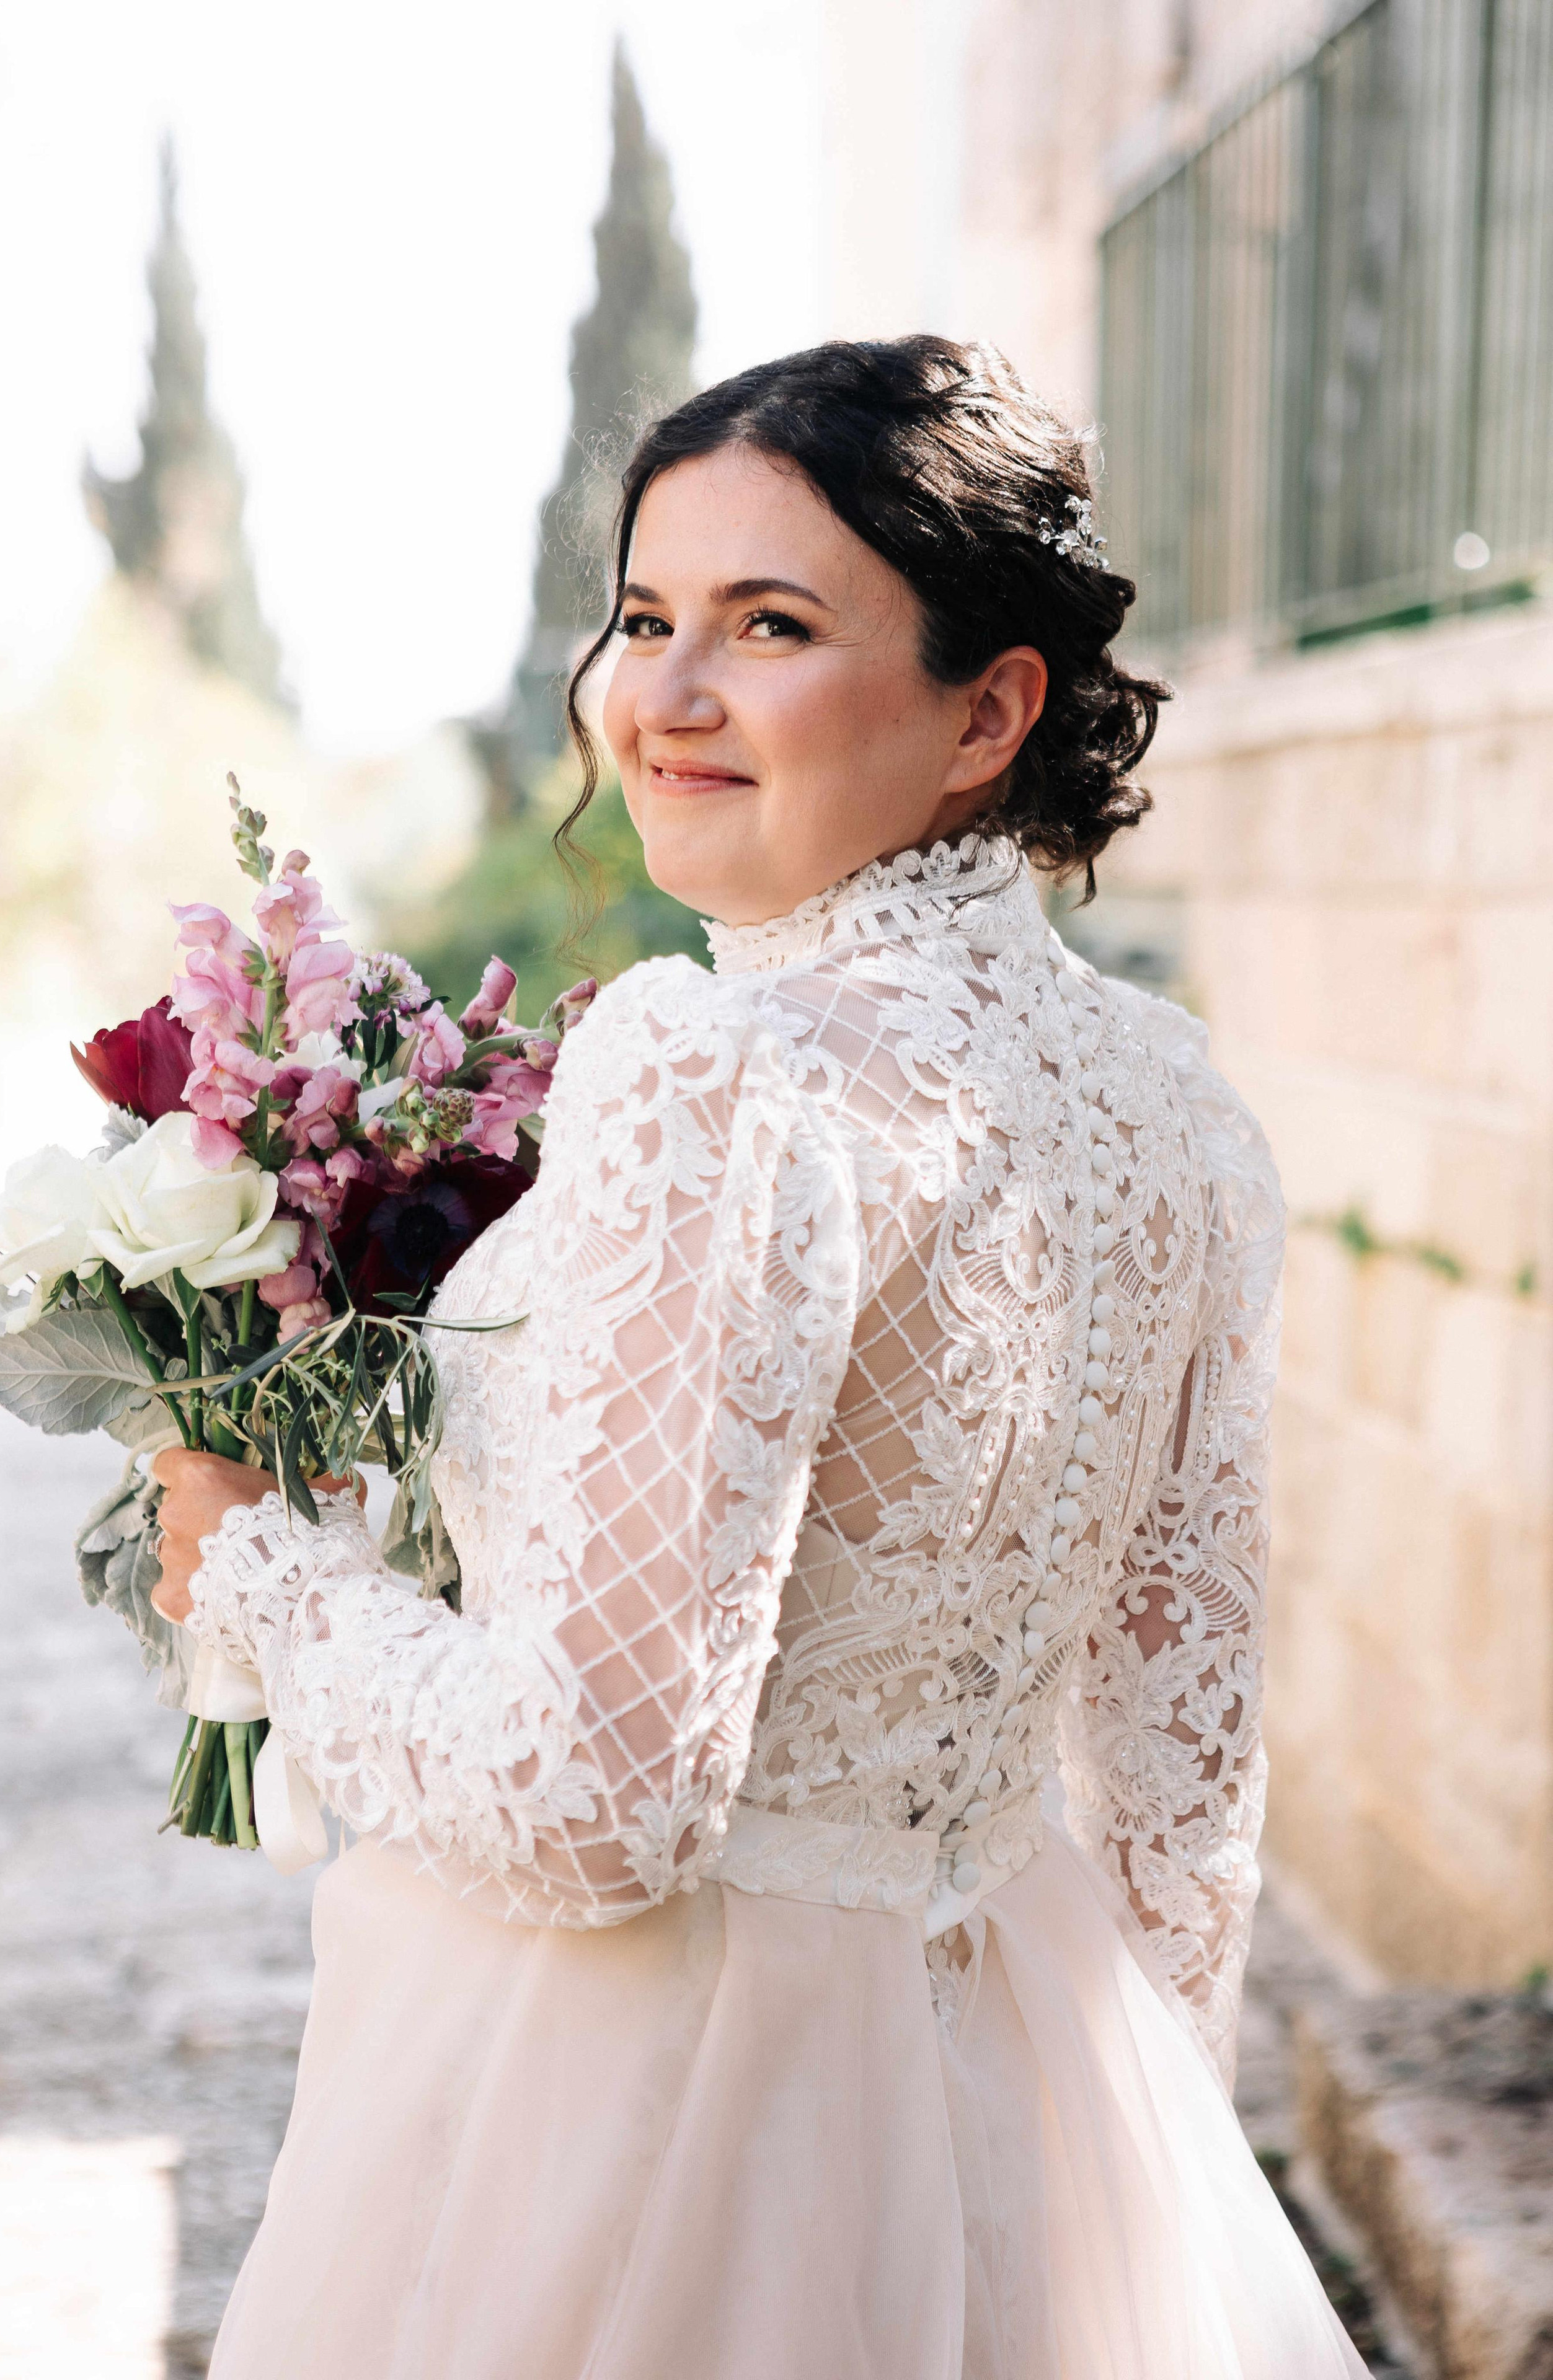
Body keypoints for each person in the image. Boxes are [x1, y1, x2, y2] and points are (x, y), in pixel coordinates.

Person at [153, 337, 1368, 2378]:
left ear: (990, 710)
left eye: (771, 626)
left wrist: (260, 1570)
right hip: (1033, 2083)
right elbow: (1184, 1799)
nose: (664, 698)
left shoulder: (721, 1071)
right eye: (645, 621)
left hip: (654, 2122)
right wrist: (1128, 2207)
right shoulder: (1179, 1107)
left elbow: (595, 1800)